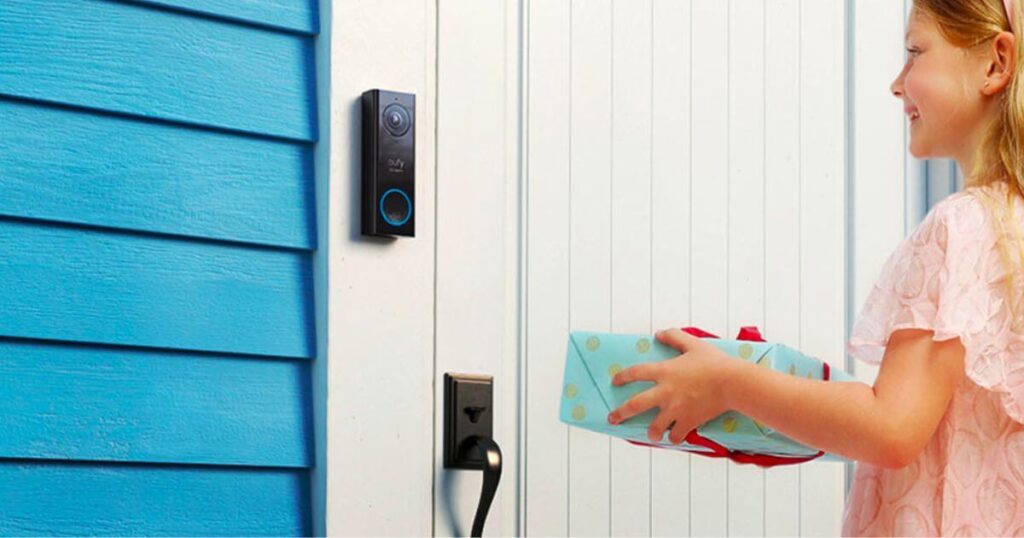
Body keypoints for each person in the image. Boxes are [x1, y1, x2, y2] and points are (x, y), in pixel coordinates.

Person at [605, 0, 1024, 535]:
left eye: (915, 53)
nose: (898, 85)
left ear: (996, 64)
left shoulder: (961, 226)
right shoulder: (1010, 233)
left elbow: (891, 427)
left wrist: (728, 383)